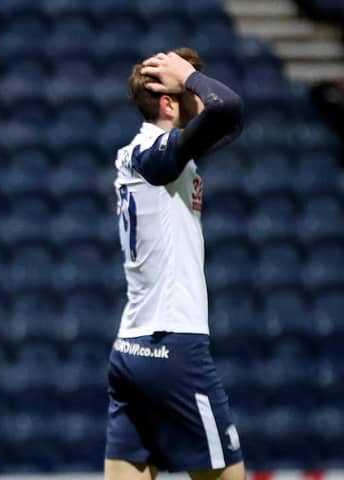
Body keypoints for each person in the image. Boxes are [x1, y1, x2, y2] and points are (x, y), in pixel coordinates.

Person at [105, 48, 246, 480]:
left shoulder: (139, 153)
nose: (199, 100)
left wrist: (188, 82)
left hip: (130, 348)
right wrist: (187, 76)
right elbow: (229, 108)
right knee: (229, 475)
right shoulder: (155, 156)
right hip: (174, 345)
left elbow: (229, 122)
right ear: (168, 102)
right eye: (189, 93)